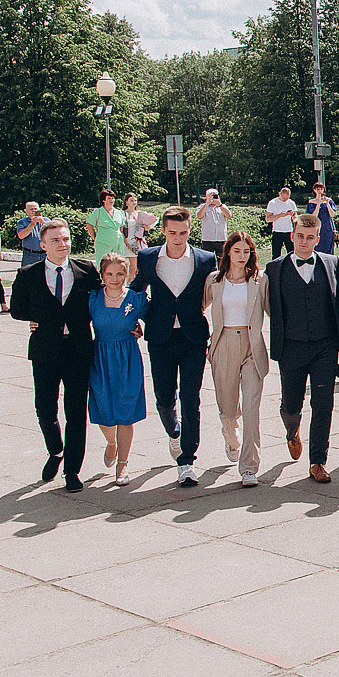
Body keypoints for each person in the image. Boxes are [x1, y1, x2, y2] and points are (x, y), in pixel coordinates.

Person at [130, 206, 217, 487]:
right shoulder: (148, 258)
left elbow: (217, 291)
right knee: (165, 398)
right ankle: (174, 431)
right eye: (172, 233)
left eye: (183, 232)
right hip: (160, 337)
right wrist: (132, 320)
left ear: (190, 230)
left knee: (191, 399)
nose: (178, 238)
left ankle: (187, 462)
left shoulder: (205, 259)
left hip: (193, 338)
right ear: (163, 231)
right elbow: (134, 291)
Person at [10, 219, 99, 492]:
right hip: (45, 350)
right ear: (43, 245)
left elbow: (105, 301)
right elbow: (16, 309)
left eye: (66, 239)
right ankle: (56, 450)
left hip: (78, 350)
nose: (63, 244)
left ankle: (72, 470)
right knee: (45, 408)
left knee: (75, 412)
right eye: (56, 240)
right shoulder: (28, 273)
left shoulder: (86, 270)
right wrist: (35, 318)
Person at [266, 211, 339, 482]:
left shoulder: (332, 263)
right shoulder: (275, 268)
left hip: (324, 346)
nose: (304, 242)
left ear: (318, 239)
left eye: (310, 238)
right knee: (292, 403)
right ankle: (291, 428)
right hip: (291, 347)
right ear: (292, 236)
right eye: (300, 236)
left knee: (323, 404)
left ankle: (318, 461)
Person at [202, 232, 267, 486]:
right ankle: (230, 434)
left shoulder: (260, 281)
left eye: (247, 252)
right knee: (228, 408)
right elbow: (199, 307)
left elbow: (276, 312)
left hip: (253, 347)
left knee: (251, 409)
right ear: (228, 252)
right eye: (237, 251)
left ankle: (249, 467)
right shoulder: (215, 281)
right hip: (224, 344)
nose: (242, 256)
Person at [87, 253, 148, 488]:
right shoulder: (92, 298)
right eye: (110, 274)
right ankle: (111, 442)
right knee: (103, 409)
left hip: (127, 359)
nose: (115, 278)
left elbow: (156, 318)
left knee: (126, 410)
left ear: (128, 274)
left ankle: (123, 462)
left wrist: (141, 327)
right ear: (102, 275)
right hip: (100, 357)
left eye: (120, 274)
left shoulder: (136, 299)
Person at [87, 191, 127, 259]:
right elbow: (89, 226)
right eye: (109, 198)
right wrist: (95, 238)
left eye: (112, 198)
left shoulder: (119, 212)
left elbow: (121, 228)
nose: (111, 200)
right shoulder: (97, 212)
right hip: (103, 242)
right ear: (103, 200)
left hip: (117, 243)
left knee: (117, 263)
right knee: (102, 264)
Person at [265, 187, 299, 259]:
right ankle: (276, 269)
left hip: (289, 231)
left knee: (292, 253)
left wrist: (293, 216)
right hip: (277, 231)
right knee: (276, 254)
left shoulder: (291, 203)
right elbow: (268, 219)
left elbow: (295, 216)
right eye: (283, 198)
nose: (285, 200)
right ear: (279, 194)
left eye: (287, 198)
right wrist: (280, 215)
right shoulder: (273, 203)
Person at [307, 183, 338, 256]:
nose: (320, 191)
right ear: (314, 190)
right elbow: (313, 216)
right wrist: (318, 204)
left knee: (328, 246)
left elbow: (332, 215)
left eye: (321, 189)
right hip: (317, 226)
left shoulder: (329, 200)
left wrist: (327, 204)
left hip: (327, 227)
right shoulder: (312, 202)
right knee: (317, 245)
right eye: (318, 189)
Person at [15, 202, 48, 268]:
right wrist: (32, 224)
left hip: (45, 253)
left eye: (35, 209)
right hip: (29, 255)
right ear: (27, 211)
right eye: (31, 209)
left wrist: (42, 222)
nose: (34, 211)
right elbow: (21, 236)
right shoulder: (22, 222)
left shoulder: (46, 220)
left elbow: (52, 233)